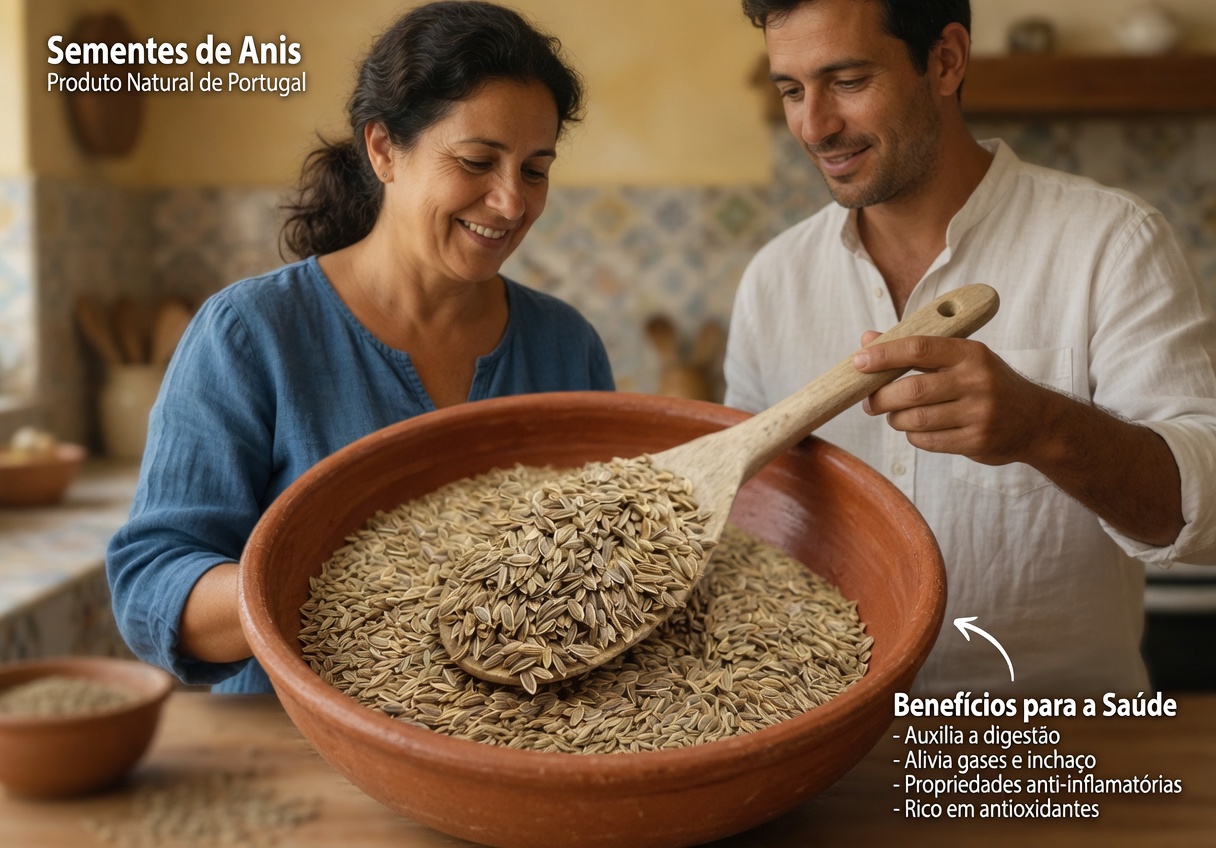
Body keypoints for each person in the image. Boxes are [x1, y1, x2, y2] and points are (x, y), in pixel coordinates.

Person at [107, 1, 614, 694]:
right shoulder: (250, 335)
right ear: (382, 150)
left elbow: (603, 567)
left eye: (534, 170)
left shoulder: (566, 347)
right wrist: (349, 579)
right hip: (290, 741)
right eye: (477, 161)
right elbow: (151, 587)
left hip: (512, 743)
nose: (510, 203)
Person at [725, 0, 1216, 695]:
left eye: (848, 81)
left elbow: (1203, 518)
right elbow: (748, 522)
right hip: (834, 742)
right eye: (792, 90)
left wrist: (1042, 427)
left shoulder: (1112, 243)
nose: (814, 125)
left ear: (946, 61)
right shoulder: (773, 281)